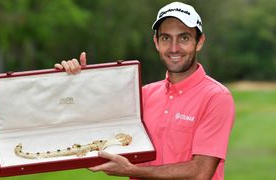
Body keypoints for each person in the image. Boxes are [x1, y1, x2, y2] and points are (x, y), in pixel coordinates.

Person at [54, 2, 235, 180]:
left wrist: (133, 171)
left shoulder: (216, 97)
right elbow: (92, 121)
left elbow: (200, 172)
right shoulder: (144, 95)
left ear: (199, 42)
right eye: (166, 38)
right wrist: (76, 84)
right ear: (156, 42)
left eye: (184, 38)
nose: (174, 48)